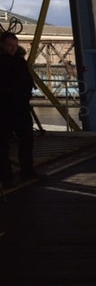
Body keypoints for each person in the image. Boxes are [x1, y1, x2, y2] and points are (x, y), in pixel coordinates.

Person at [0, 32, 36, 189]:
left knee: (27, 139)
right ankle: (7, 176)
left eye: (15, 46)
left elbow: (27, 82)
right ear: (2, 44)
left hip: (18, 107)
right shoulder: (14, 62)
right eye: (9, 45)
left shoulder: (20, 62)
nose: (13, 48)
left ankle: (27, 171)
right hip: (5, 108)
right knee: (3, 144)